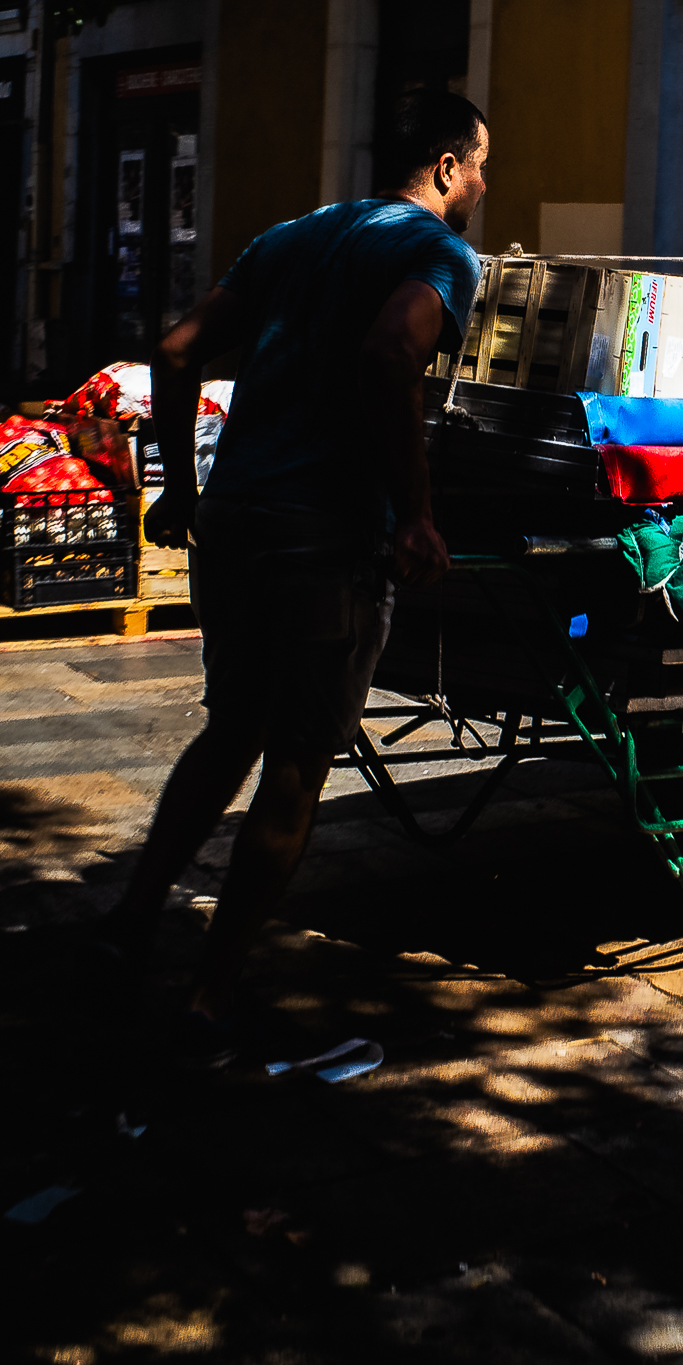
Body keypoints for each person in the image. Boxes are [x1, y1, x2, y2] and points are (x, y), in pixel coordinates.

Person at [92, 91, 488, 1063]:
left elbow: (179, 348)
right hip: (325, 539)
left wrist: (181, 488)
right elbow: (390, 351)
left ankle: (132, 924)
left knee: (232, 727)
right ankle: (211, 996)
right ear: (444, 167)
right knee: (298, 764)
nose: (483, 184)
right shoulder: (439, 253)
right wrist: (415, 514)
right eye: (480, 164)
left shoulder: (293, 234)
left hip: (235, 519)